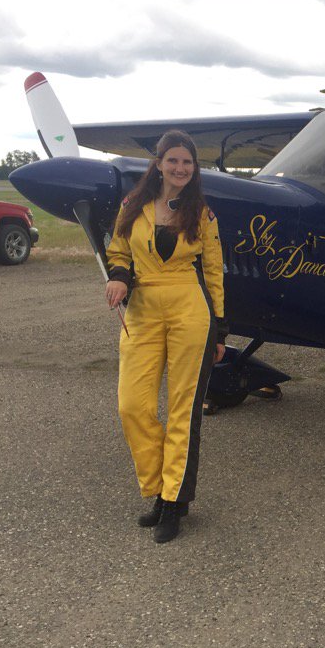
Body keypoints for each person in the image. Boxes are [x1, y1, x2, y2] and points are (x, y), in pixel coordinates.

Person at [104, 130, 227, 544]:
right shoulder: (132, 206)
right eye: (173, 160)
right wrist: (119, 278)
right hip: (142, 310)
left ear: (194, 169)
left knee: (183, 410)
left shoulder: (203, 214)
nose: (180, 168)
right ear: (158, 164)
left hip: (190, 310)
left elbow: (213, 272)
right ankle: (157, 488)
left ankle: (174, 501)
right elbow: (118, 252)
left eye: (187, 163)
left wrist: (220, 330)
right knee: (132, 406)